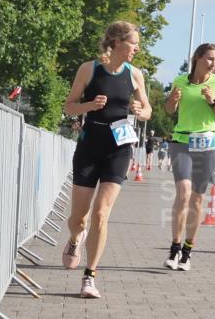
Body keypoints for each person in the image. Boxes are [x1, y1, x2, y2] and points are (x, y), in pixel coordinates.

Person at [61, 21, 151, 298]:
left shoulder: (135, 75)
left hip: (119, 149)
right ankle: (76, 238)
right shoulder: (89, 69)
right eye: (133, 43)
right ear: (116, 42)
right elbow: (68, 105)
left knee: (101, 214)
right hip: (89, 147)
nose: (136, 48)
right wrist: (89, 106)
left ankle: (90, 277)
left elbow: (147, 110)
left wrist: (140, 109)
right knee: (79, 218)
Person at [164, 43, 215, 271]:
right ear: (197, 58)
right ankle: (174, 248)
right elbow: (169, 110)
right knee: (183, 194)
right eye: (210, 59)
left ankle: (187, 251)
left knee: (197, 199)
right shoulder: (181, 81)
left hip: (206, 144)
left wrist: (213, 101)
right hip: (182, 142)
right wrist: (172, 99)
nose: (213, 64)